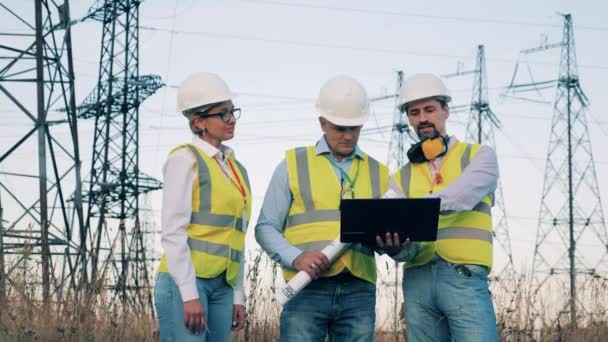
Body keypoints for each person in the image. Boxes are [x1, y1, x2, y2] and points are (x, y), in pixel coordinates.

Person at [255, 75, 389, 342]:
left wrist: (393, 244)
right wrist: (295, 257)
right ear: (322, 123)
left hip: (359, 290)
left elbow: (394, 241)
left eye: (355, 128)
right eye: (340, 128)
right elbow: (265, 226)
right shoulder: (293, 164)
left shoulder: (380, 173)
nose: (349, 136)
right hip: (306, 285)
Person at [376, 73, 499, 341]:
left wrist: (408, 210)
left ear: (446, 110)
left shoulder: (479, 156)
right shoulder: (400, 178)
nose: (422, 119)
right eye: (414, 112)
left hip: (463, 277)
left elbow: (461, 196)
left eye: (429, 109)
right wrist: (394, 246)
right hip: (417, 280)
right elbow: (407, 245)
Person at [154, 72, 251, 341]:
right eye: (222, 114)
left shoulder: (236, 169)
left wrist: (237, 294)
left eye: (233, 111)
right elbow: (173, 232)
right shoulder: (185, 159)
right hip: (186, 283)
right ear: (198, 122)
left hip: (223, 286)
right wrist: (189, 293)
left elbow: (236, 238)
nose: (231, 119)